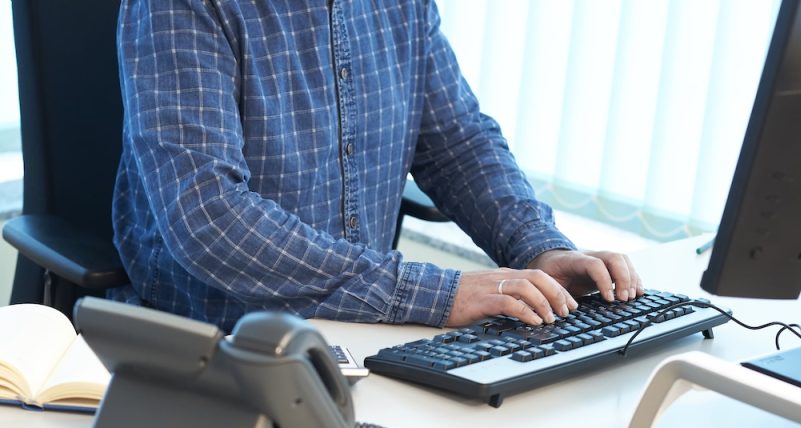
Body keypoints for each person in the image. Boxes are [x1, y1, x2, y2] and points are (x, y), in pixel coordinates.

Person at [112, 0, 642, 332]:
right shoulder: (177, 5)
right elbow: (208, 217)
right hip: (222, 335)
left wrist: (538, 247)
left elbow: (455, 142)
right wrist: (437, 293)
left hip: (368, 328)